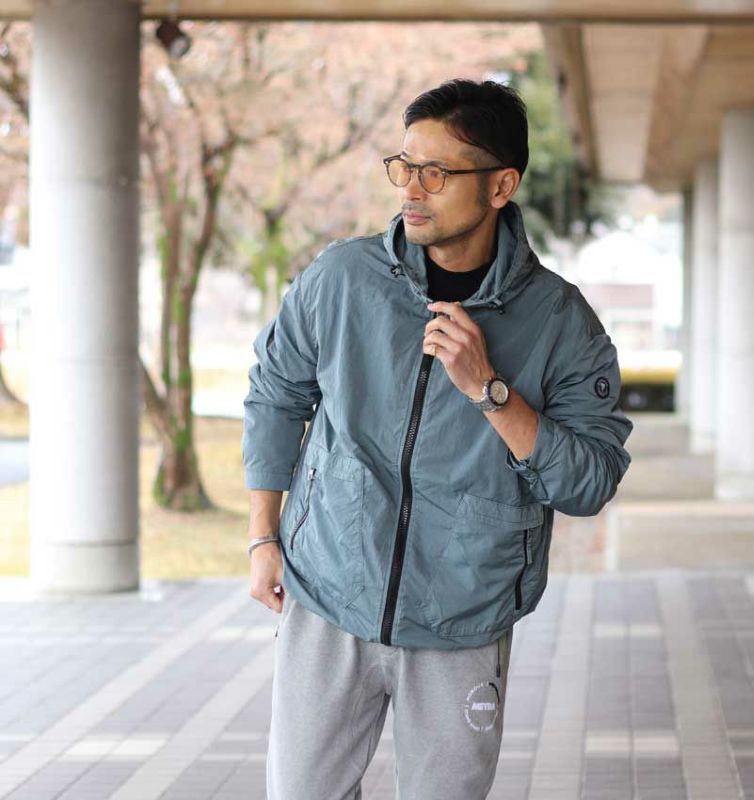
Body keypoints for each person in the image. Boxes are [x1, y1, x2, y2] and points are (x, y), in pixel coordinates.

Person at [242, 78, 633, 799]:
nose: (411, 190)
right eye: (404, 165)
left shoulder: (560, 323)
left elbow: (589, 481)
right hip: (328, 594)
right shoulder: (341, 279)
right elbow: (276, 393)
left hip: (464, 616)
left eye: (437, 172)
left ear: (500, 185)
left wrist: (490, 390)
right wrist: (263, 534)